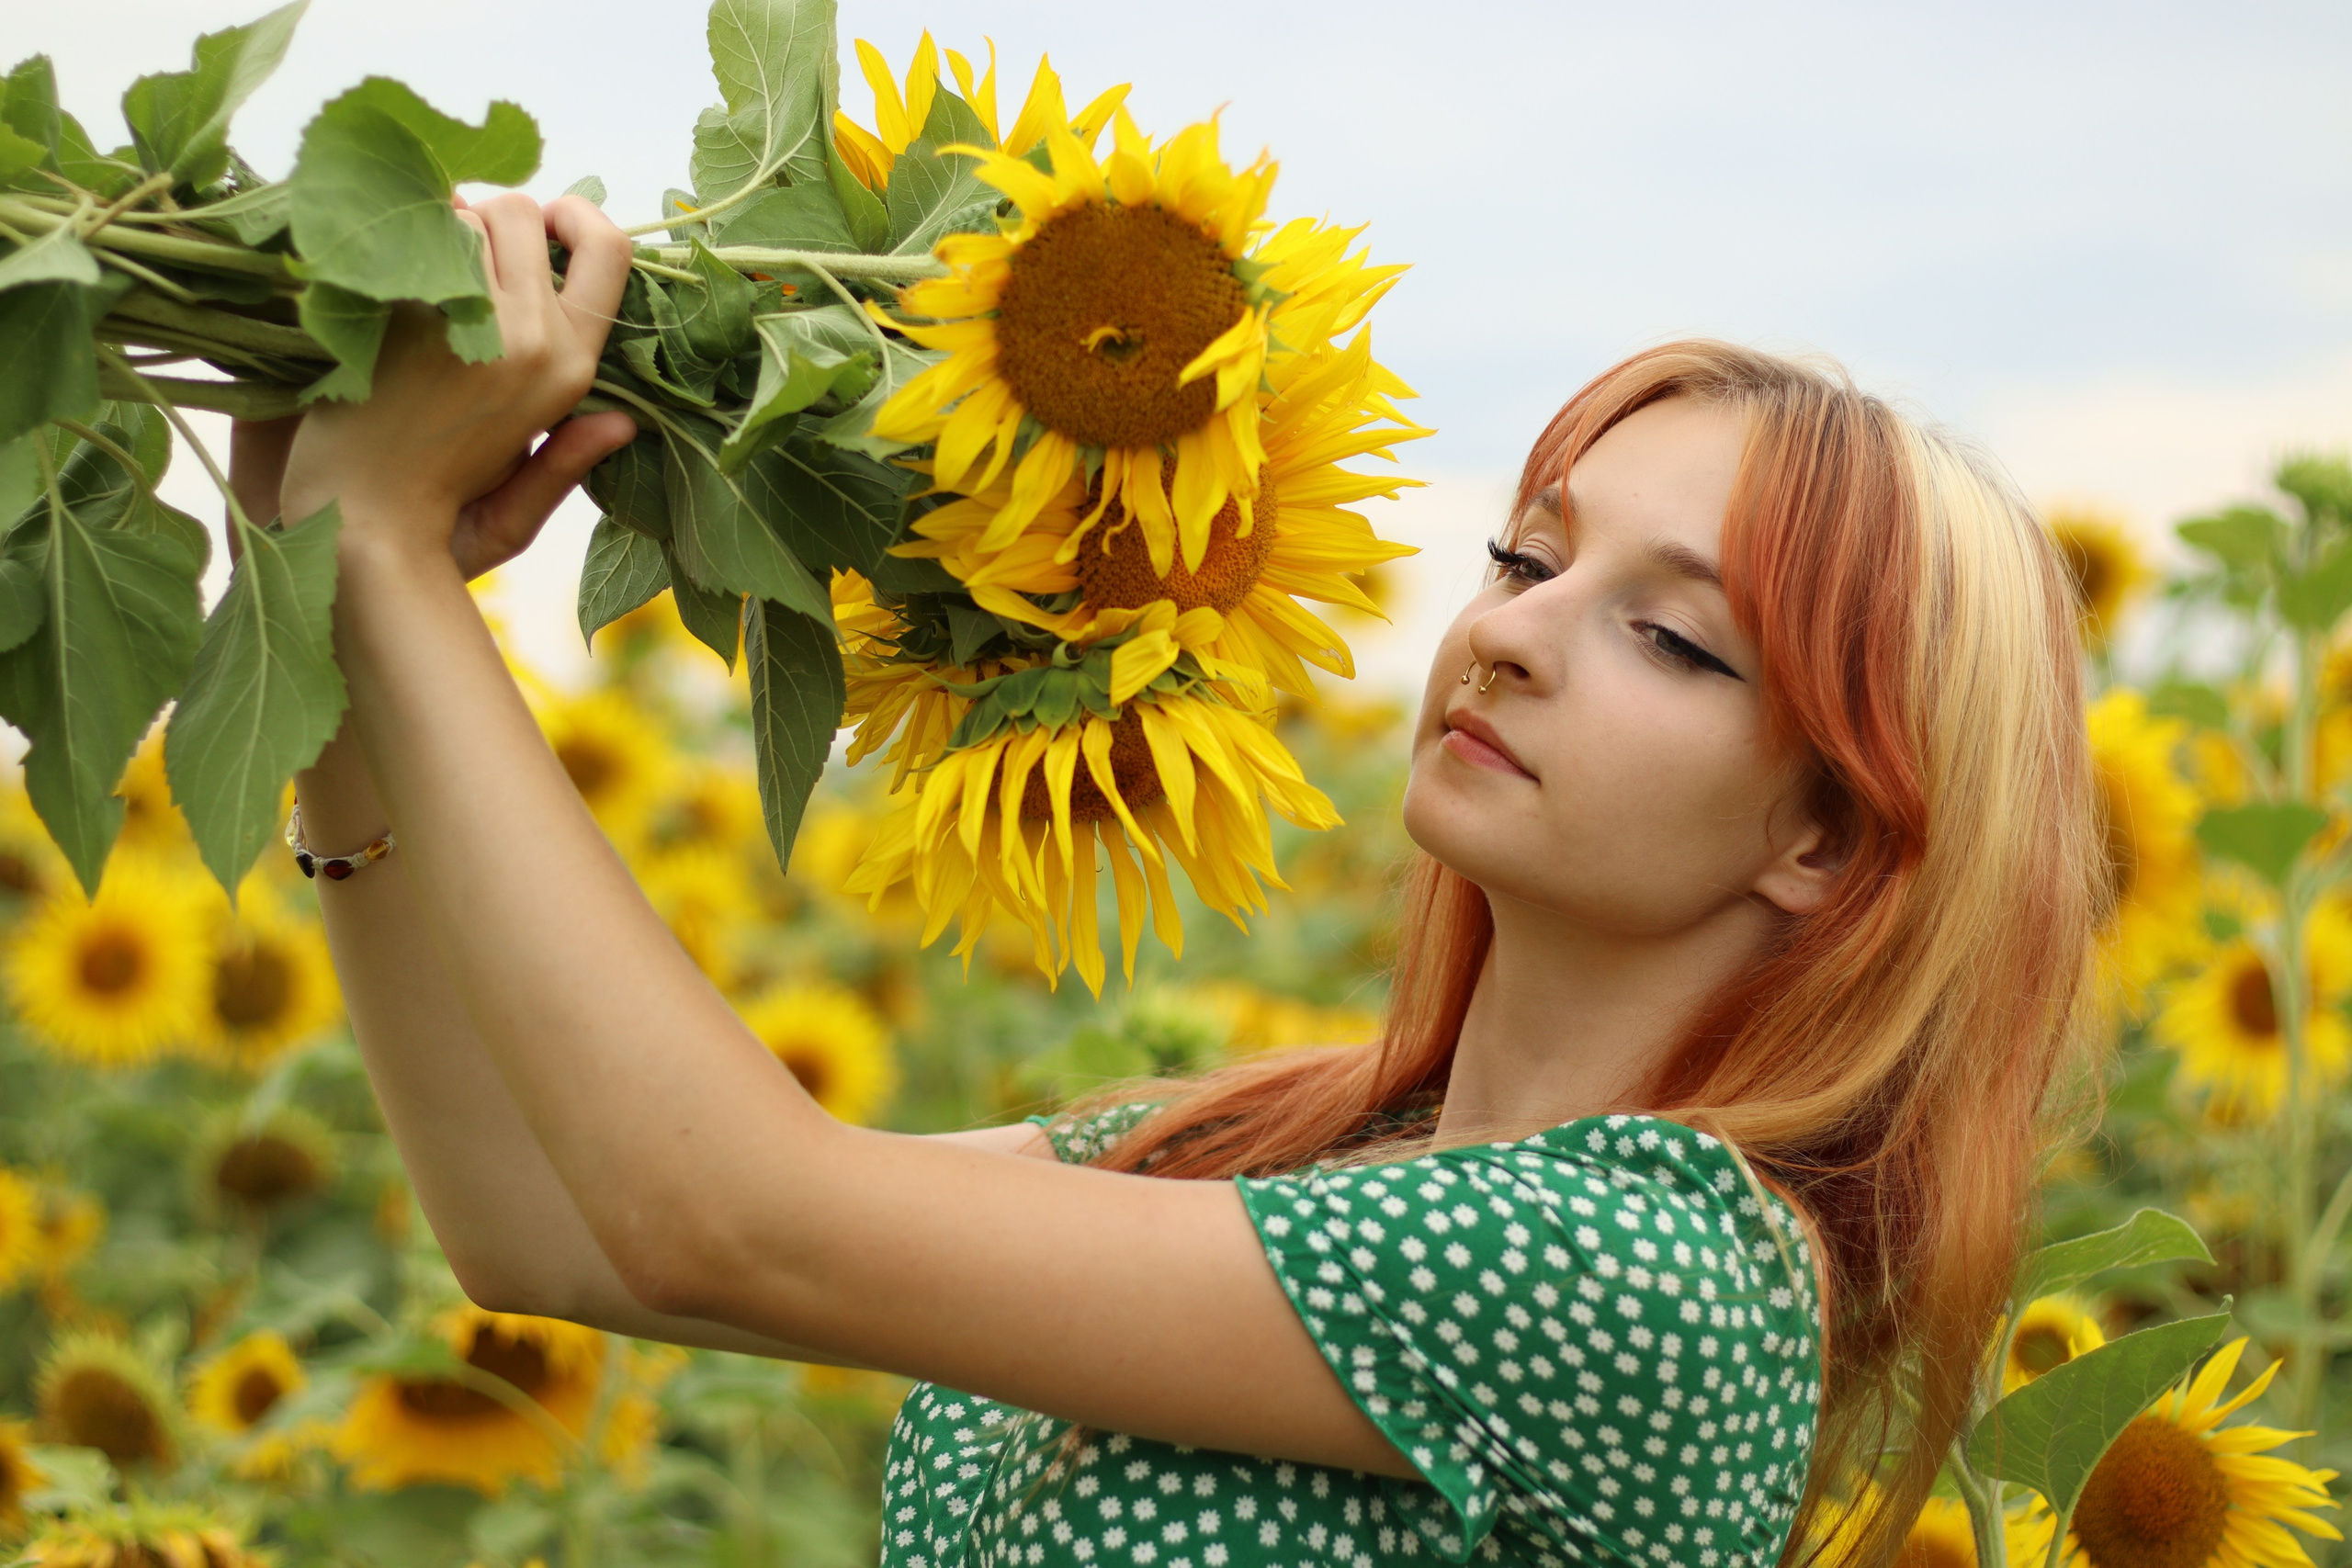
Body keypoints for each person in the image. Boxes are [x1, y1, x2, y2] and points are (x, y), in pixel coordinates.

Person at [230, 193, 2096, 1568]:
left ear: (1827, 837)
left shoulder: (1651, 1266)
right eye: (1524, 558)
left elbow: (724, 1212)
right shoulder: (1271, 1148)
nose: (1513, 639)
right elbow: (546, 1228)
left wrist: (395, 556)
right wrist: (327, 609)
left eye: (1670, 639)